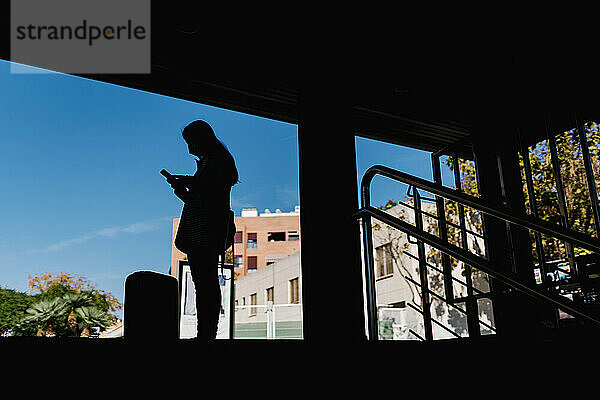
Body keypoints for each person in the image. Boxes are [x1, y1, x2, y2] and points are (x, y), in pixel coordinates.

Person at [168, 120, 238, 340]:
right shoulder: (214, 162)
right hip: (204, 228)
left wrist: (188, 184)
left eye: (191, 142)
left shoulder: (217, 162)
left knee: (205, 282)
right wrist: (184, 188)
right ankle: (206, 332)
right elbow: (202, 195)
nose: (189, 149)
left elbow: (210, 193)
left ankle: (207, 333)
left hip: (207, 229)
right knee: (203, 282)